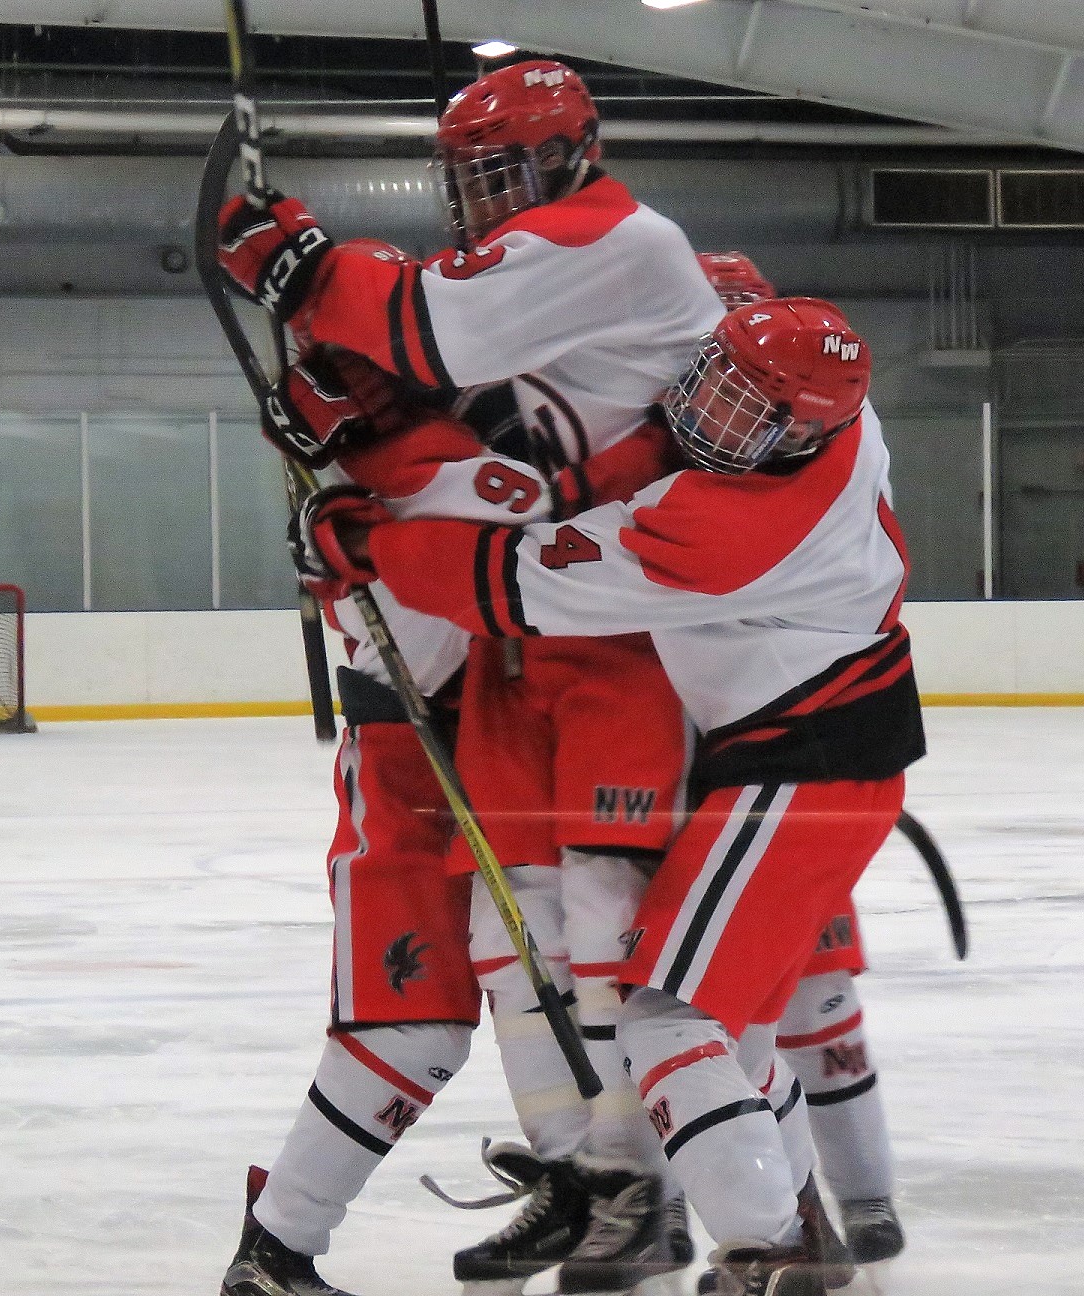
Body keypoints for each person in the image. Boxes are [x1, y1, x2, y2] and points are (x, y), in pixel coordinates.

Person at [214, 57, 723, 1294]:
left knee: (587, 957)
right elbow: (467, 531)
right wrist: (348, 503)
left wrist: (317, 296)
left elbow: (473, 424)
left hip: (530, 695)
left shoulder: (572, 289)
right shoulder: (433, 449)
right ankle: (295, 1249)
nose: (483, 200)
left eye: (504, 171)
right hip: (419, 741)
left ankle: (617, 1192)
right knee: (440, 1007)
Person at [298, 298, 925, 1296]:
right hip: (812, 765)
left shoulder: (716, 531)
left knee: (669, 1021)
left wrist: (370, 540)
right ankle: (797, 1227)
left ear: (800, 432)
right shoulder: (845, 432)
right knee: (736, 1037)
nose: (706, 414)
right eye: (714, 380)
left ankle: (771, 1252)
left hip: (801, 776)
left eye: (744, 410)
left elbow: (508, 580)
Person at [696, 254, 906, 1276]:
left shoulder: (795, 433)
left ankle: (835, 1208)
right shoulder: (818, 418)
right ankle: (840, 1208)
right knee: (785, 1011)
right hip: (800, 745)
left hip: (791, 759)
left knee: (790, 1008)